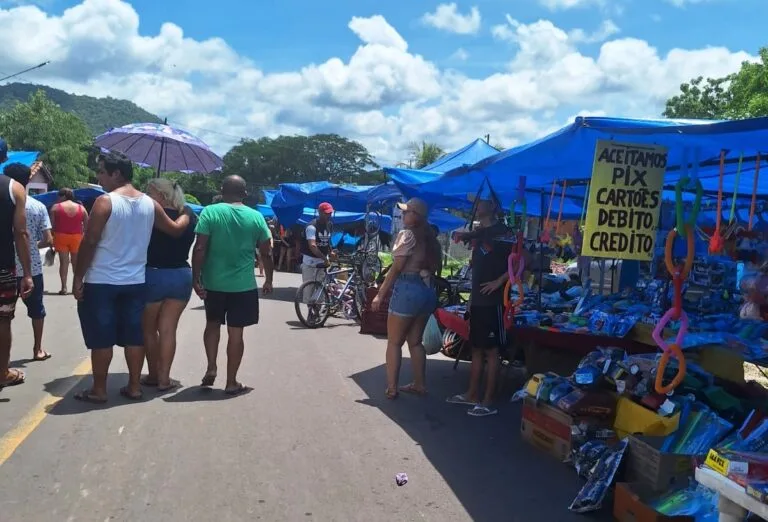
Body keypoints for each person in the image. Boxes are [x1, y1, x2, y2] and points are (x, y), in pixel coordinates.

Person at [72, 151, 191, 404]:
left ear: (116, 173)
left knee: (101, 338)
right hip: (136, 281)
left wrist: (78, 276)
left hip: (102, 280)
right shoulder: (150, 203)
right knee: (133, 336)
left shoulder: (105, 202)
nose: (99, 176)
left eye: (102, 171)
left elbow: (90, 240)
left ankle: (99, 390)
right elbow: (173, 230)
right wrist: (186, 214)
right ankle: (135, 387)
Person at [192, 175, 273, 395]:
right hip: (243, 285)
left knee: (212, 324)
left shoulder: (210, 211)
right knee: (236, 333)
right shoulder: (256, 217)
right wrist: (268, 279)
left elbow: (199, 248)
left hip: (214, 283)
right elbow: (266, 251)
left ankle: (211, 366)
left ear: (221, 190)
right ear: (245, 194)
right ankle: (231, 382)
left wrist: (195, 278)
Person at [448, 199, 513, 417]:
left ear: (493, 205)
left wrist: (500, 281)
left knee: (492, 352)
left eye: (481, 202)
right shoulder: (478, 233)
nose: (476, 205)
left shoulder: (503, 232)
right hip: (477, 301)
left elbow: (522, 261)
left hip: (494, 302)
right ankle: (472, 394)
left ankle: (487, 401)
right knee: (476, 348)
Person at [371, 198, 441, 400]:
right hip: (427, 292)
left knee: (394, 342)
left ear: (415, 217)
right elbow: (433, 268)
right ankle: (420, 384)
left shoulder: (407, 235)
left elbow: (396, 268)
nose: (402, 215)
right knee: (415, 341)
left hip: (408, 288)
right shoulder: (431, 239)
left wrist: (380, 294)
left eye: (406, 212)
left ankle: (392, 388)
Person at [141, 178, 197, 392]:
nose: (146, 195)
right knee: (168, 330)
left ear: (161, 196)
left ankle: (153, 375)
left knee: (148, 330)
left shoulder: (149, 216)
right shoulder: (189, 216)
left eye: (149, 191)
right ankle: (165, 379)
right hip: (181, 275)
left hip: (153, 274)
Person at [5, 163, 53, 362]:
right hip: (31, 268)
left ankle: (3, 358)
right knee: (36, 310)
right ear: (28, 181)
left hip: (5, 266)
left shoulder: (4, 203)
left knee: (4, 315)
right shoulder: (38, 206)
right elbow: (48, 239)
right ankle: (38, 348)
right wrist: (33, 245)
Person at [0, 139, 34, 388]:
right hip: (3, 266)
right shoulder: (14, 189)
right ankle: (2, 373)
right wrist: (28, 273)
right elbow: (21, 233)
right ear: (4, 158)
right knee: (2, 319)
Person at [50, 187, 88, 295]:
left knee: (64, 263)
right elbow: (86, 226)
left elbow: (51, 226)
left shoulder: (56, 208)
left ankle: (64, 287)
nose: (58, 198)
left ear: (63, 196)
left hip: (60, 236)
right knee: (76, 263)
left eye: (59, 196)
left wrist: (51, 237)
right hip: (77, 237)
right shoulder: (81, 208)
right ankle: (77, 286)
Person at [300, 202, 334, 298]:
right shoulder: (311, 226)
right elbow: (313, 246)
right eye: (326, 213)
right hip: (310, 262)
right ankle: (310, 311)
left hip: (323, 262)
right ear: (320, 212)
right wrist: (325, 258)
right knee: (308, 291)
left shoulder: (330, 225)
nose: (328, 215)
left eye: (330, 213)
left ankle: (317, 311)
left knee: (321, 292)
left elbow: (327, 242)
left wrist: (331, 252)